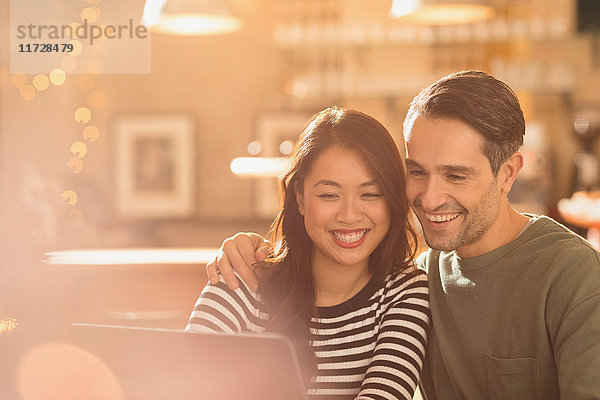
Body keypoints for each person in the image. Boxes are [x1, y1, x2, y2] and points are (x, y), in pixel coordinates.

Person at [207, 71, 600, 400]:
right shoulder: (425, 274)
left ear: (508, 173)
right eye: (417, 172)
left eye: (456, 175)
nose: (429, 198)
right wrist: (253, 248)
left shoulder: (571, 273)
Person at [187, 107, 430, 400]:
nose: (350, 216)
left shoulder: (405, 292)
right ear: (300, 197)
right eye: (329, 195)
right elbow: (181, 385)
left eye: (370, 194)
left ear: (392, 201)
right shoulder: (241, 278)